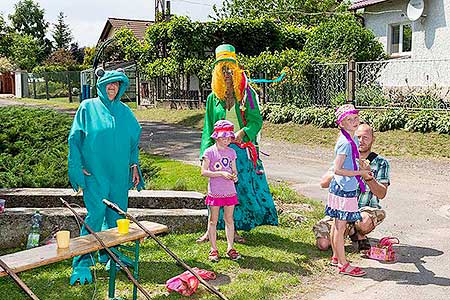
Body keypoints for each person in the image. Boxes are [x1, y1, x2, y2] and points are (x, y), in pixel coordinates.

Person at [67, 68, 144, 285]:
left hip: (119, 175)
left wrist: (134, 165)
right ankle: (82, 262)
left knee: (118, 216)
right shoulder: (87, 107)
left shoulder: (125, 112)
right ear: (101, 85)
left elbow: (133, 143)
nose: (112, 87)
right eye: (109, 84)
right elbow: (75, 138)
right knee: (96, 214)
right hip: (96, 173)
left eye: (117, 84)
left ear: (121, 88)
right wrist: (77, 164)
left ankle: (111, 255)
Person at [197, 44, 278, 244]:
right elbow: (208, 128)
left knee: (237, 190)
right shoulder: (212, 98)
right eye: (222, 68)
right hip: (217, 152)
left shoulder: (246, 94)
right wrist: (204, 155)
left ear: (236, 70)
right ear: (217, 72)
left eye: (230, 68)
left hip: (240, 152)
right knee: (214, 189)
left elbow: (256, 121)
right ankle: (211, 229)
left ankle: (235, 230)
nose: (226, 73)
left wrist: (244, 132)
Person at [313, 123, 390, 251]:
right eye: (358, 137)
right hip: (342, 210)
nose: (361, 141)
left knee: (364, 222)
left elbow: (382, 193)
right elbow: (323, 183)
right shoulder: (345, 156)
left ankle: (358, 232)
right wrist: (343, 170)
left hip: (364, 210)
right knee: (323, 244)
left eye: (365, 137)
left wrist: (368, 176)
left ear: (373, 139)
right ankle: (350, 231)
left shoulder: (381, 162)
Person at [325, 104, 370, 277]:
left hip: (343, 187)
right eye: (349, 119)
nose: (353, 121)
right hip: (343, 188)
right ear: (341, 123)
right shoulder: (345, 143)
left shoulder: (349, 139)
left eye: (355, 118)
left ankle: (336, 257)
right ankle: (343, 264)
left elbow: (349, 161)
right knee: (340, 226)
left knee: (338, 224)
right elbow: (336, 169)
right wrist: (361, 172)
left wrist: (359, 164)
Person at [201, 120, 241, 262]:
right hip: (215, 192)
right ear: (216, 137)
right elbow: (204, 172)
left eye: (229, 138)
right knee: (213, 221)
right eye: (223, 138)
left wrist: (234, 176)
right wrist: (221, 174)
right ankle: (213, 249)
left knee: (229, 220)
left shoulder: (232, 152)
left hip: (229, 192)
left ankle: (230, 248)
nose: (226, 140)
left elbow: (234, 169)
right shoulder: (209, 152)